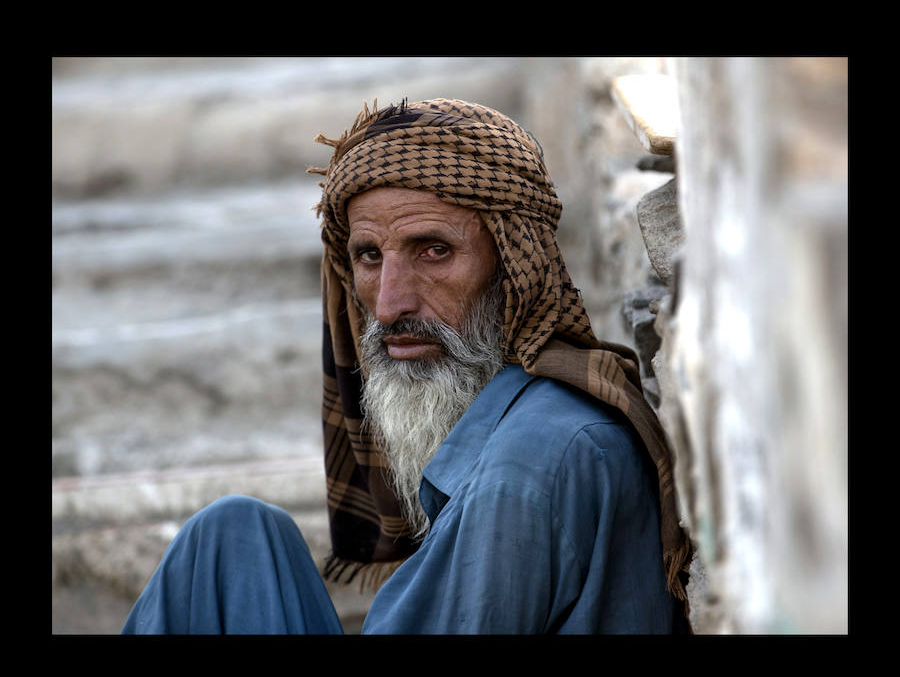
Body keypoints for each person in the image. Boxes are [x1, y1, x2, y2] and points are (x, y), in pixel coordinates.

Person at [122, 98, 692, 635]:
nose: (391, 303)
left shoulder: (526, 468)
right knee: (232, 538)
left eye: (434, 251)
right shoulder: (529, 419)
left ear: (515, 268)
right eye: (370, 257)